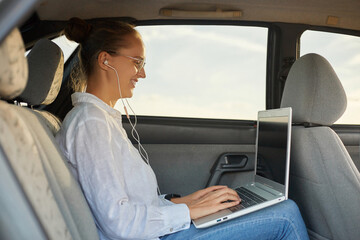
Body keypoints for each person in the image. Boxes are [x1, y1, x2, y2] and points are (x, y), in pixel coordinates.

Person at [56, 18, 309, 240]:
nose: (142, 73)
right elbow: (119, 222)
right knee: (286, 214)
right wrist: (192, 212)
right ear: (105, 60)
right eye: (137, 61)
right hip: (150, 235)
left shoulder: (102, 120)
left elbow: (132, 202)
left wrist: (188, 201)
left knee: (271, 209)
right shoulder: (90, 123)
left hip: (155, 230)